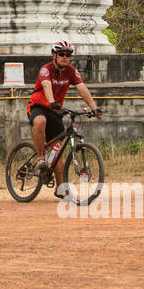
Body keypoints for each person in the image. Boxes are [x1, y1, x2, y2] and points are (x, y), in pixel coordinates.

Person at [26, 40, 101, 190]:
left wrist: (94, 108)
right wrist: (52, 102)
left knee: (58, 150)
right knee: (40, 121)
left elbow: (82, 89)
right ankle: (40, 158)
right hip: (39, 106)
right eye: (61, 54)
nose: (65, 57)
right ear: (54, 55)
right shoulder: (45, 70)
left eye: (68, 55)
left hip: (56, 111)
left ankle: (61, 189)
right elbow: (46, 85)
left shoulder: (72, 71)